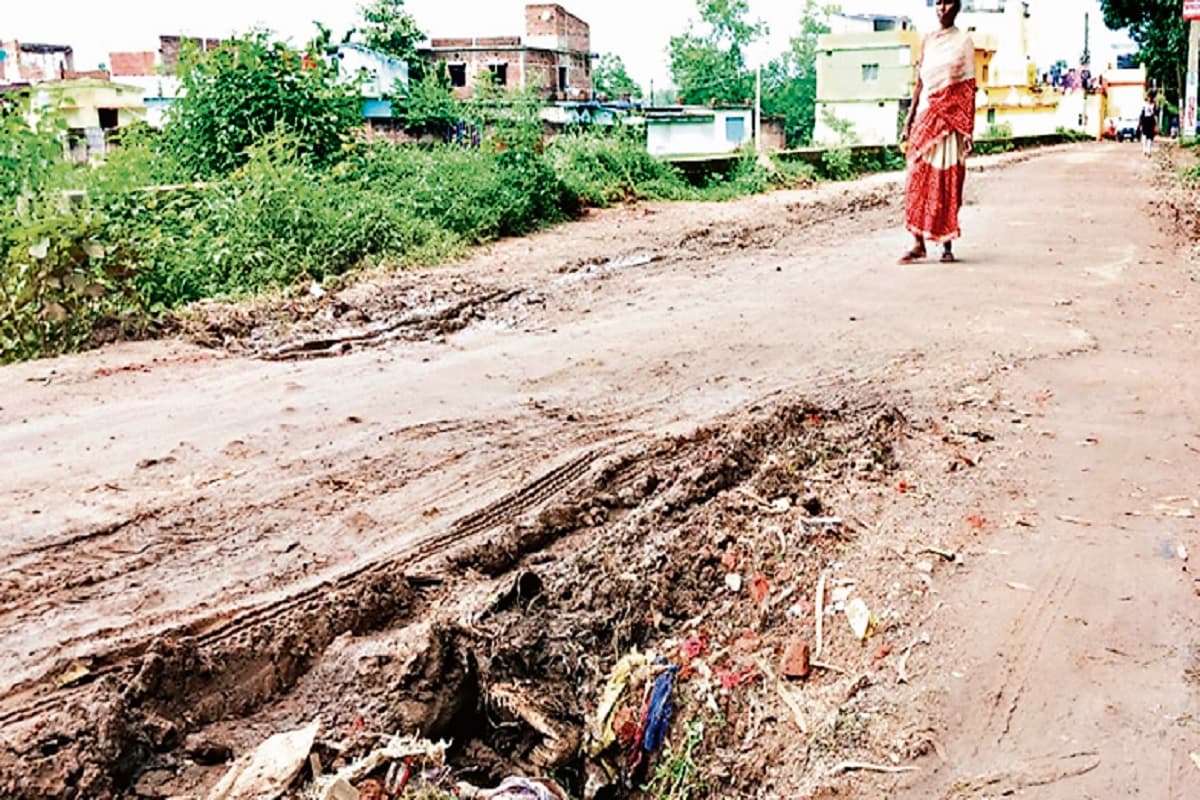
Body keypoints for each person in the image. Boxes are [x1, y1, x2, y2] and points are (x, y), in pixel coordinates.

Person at [899, 0, 976, 264]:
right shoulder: (928, 40)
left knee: (946, 180)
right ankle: (918, 242)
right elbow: (920, 83)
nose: (942, 8)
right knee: (917, 175)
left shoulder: (964, 42)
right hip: (926, 115)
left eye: (949, 2)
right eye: (939, 2)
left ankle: (946, 244)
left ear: (958, 7)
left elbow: (967, 88)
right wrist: (908, 120)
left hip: (950, 122)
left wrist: (965, 124)